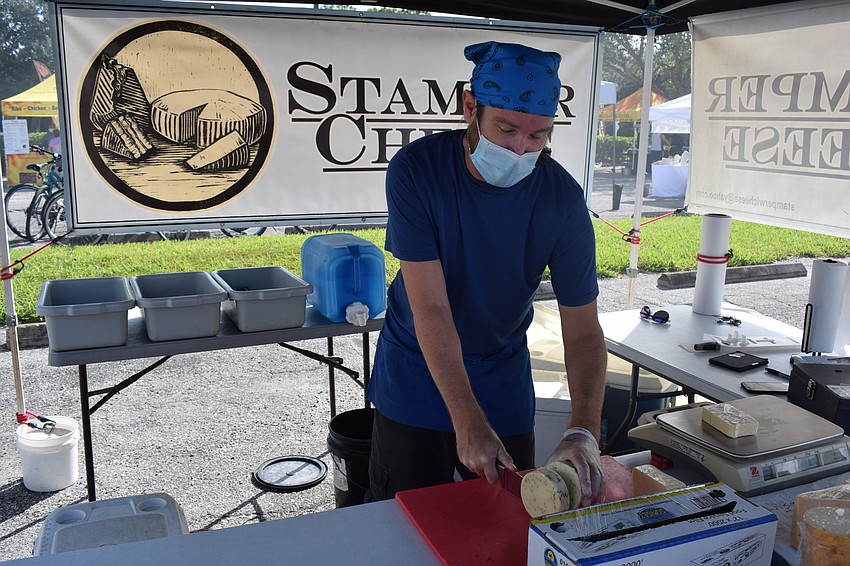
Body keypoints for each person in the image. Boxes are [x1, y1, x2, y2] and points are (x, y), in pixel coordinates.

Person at [364, 41, 608, 507]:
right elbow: (431, 308)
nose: (520, 148)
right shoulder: (417, 171)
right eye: (507, 128)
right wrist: (468, 422)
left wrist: (584, 430)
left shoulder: (560, 199)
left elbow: (582, 329)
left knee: (511, 520)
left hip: (501, 377)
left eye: (537, 137)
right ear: (470, 107)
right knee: (407, 523)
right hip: (417, 373)